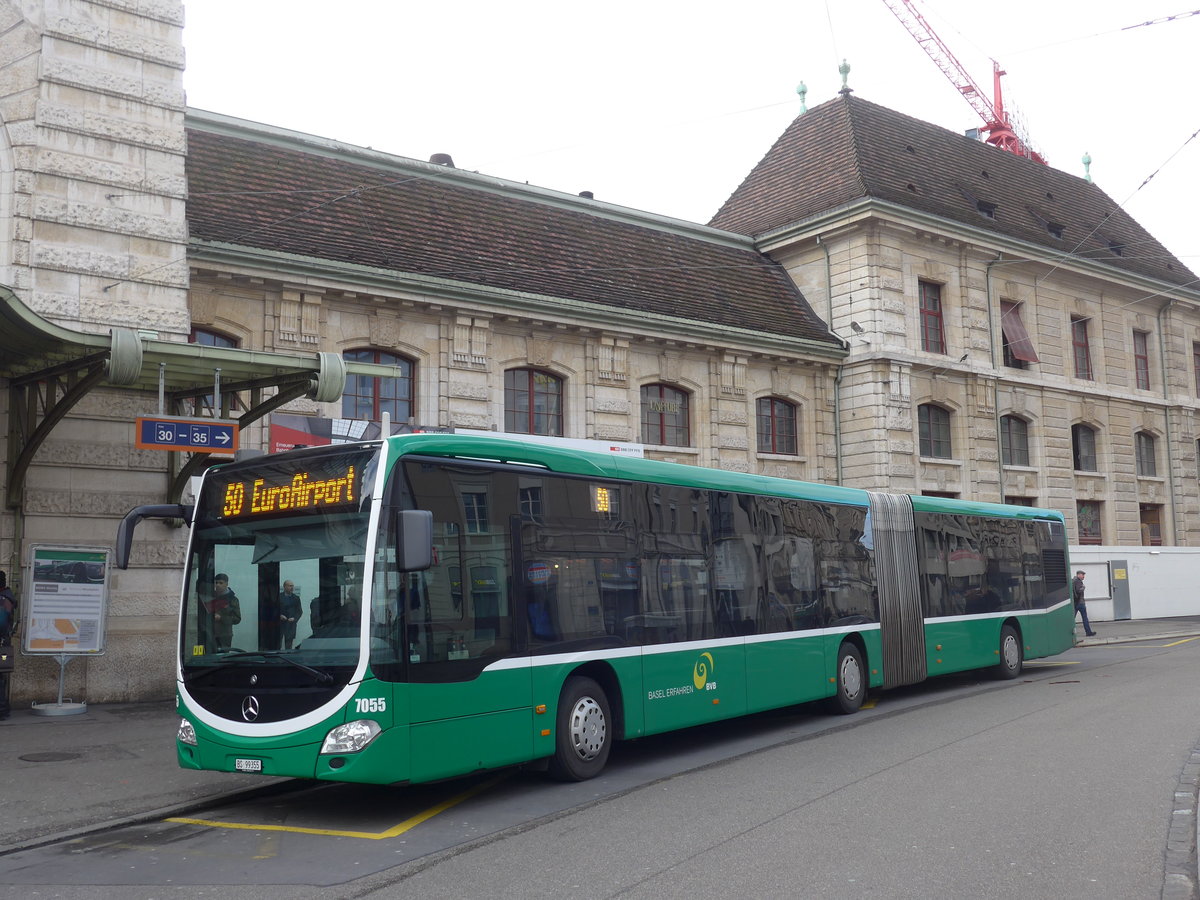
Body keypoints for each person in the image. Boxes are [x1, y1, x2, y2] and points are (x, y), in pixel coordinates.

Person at [202, 573, 242, 651]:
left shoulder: (232, 599)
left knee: (223, 657)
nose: (218, 585)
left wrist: (221, 618)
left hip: (225, 636)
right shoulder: (209, 596)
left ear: (226, 584)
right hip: (210, 634)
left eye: (221, 583)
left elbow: (237, 619)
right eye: (216, 583)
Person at [0, 570, 16, 720]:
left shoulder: (3, 599)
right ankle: (3, 709)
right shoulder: (7, 598)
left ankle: (2, 710)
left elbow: (2, 623)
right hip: (4, 644)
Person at [278, 580, 303, 649]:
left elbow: (299, 611)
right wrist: (279, 615)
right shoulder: (278, 597)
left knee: (289, 646)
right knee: (277, 644)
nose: (292, 587)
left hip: (290, 624)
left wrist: (294, 618)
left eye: (292, 586)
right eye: (290, 586)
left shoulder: (296, 598)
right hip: (279, 624)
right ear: (284, 586)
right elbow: (273, 610)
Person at [1072, 569, 1096, 637]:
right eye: (1083, 575)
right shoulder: (1078, 581)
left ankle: (1066, 632)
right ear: (1079, 575)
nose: (1083, 576)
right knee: (1085, 618)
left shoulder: (1073, 580)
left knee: (1071, 618)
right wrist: (1083, 587)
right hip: (1080, 603)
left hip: (1075, 602)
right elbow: (1078, 591)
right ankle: (1088, 632)